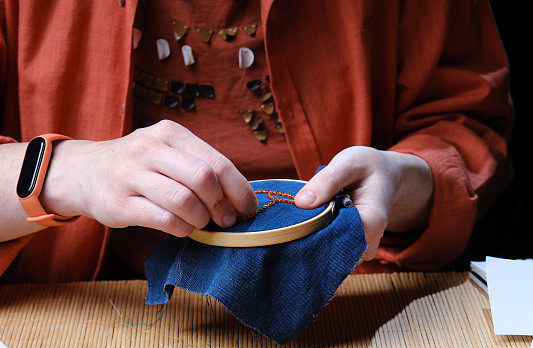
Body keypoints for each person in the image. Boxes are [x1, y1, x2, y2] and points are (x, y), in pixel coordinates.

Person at [0, 0, 512, 284]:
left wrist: (405, 182)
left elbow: (467, 123)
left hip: (356, 299)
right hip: (79, 304)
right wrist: (63, 170)